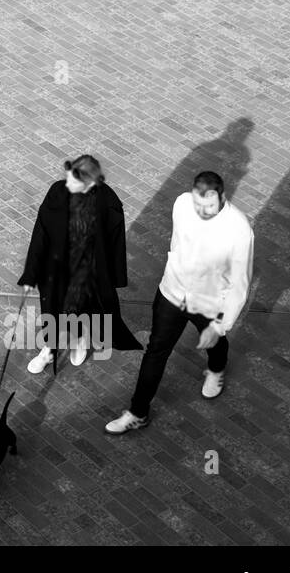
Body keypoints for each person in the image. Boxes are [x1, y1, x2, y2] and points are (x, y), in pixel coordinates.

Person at [106, 171, 254, 434]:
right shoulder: (182, 204)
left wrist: (221, 324)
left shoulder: (240, 230)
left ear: (222, 196)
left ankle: (216, 369)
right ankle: (138, 412)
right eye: (198, 204)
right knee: (156, 351)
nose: (202, 211)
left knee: (215, 340)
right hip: (172, 292)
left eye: (209, 206)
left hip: (209, 300)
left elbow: (240, 284)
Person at [17, 155, 142, 374]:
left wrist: (114, 278)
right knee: (53, 311)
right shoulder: (57, 192)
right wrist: (31, 273)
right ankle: (50, 348)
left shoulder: (107, 201)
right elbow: (40, 235)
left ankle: (81, 339)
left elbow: (115, 243)